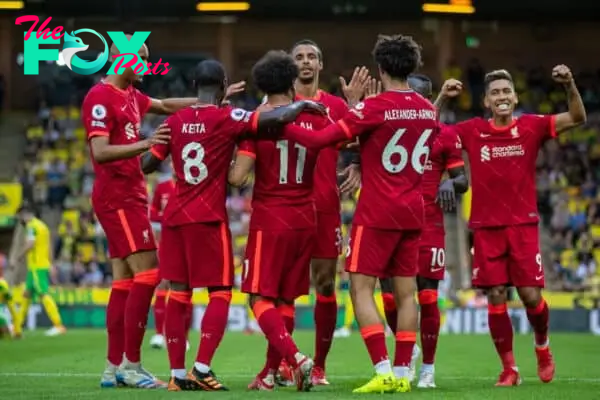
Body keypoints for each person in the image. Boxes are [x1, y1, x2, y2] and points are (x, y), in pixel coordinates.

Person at [141, 58, 325, 392]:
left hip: (175, 218)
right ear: (224, 86)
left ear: (195, 87)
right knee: (221, 292)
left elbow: (148, 164)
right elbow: (274, 117)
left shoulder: (176, 120)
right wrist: (304, 106)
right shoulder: (229, 117)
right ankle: (202, 368)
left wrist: (148, 142)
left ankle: (177, 375)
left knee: (178, 293)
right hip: (209, 218)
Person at [281, 34, 437, 394]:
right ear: (412, 67)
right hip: (413, 210)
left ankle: (382, 369)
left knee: (360, 288)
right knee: (406, 294)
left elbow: (324, 140)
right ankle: (402, 374)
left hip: (378, 210)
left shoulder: (375, 107)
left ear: (380, 68)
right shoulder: (428, 111)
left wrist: (278, 123)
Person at [436, 65, 586, 386]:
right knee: (495, 296)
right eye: (495, 93)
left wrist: (569, 84)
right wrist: (443, 101)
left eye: (506, 91)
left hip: (523, 226)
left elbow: (576, 117)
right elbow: (430, 131)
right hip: (486, 228)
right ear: (487, 102)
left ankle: (542, 347)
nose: (502, 97)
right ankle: (510, 369)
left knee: (531, 296)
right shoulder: (473, 130)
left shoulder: (532, 126)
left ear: (515, 97)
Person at [82, 37, 204, 389]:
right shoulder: (100, 97)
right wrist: (146, 144)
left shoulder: (132, 94)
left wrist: (209, 102)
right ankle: (132, 365)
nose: (147, 65)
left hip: (128, 196)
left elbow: (166, 105)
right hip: (118, 198)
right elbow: (101, 152)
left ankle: (113, 367)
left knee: (123, 282)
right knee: (149, 275)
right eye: (143, 58)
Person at [228, 50, 333, 392]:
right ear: (292, 80)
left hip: (271, 218)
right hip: (307, 217)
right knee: (286, 300)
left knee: (258, 297)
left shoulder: (257, 122)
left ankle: (296, 359)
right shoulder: (317, 117)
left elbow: (239, 178)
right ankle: (269, 374)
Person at [376, 74, 468, 388]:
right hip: (390, 221)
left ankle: (427, 368)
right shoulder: (387, 128)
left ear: (426, 100)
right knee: (389, 298)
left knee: (427, 298)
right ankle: (409, 347)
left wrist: (448, 182)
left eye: (413, 95)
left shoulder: (445, 135)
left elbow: (462, 180)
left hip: (428, 224)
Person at [288, 40, 368, 386]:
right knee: (280, 289)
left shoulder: (336, 106)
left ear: (320, 65)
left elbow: (367, 137)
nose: (306, 62)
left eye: (311, 57)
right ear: (291, 66)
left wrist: (357, 162)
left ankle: (319, 366)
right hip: (285, 208)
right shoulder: (277, 104)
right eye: (300, 57)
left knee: (324, 284)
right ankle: (283, 361)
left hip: (324, 207)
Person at [10, 205, 66, 337]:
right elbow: (49, 247)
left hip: (37, 267)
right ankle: (17, 328)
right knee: (26, 294)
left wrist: (17, 258)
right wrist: (51, 264)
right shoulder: (43, 226)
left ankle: (58, 325)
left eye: (20, 217)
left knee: (43, 294)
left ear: (24, 215)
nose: (20, 221)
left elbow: (30, 243)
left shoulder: (31, 226)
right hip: (39, 266)